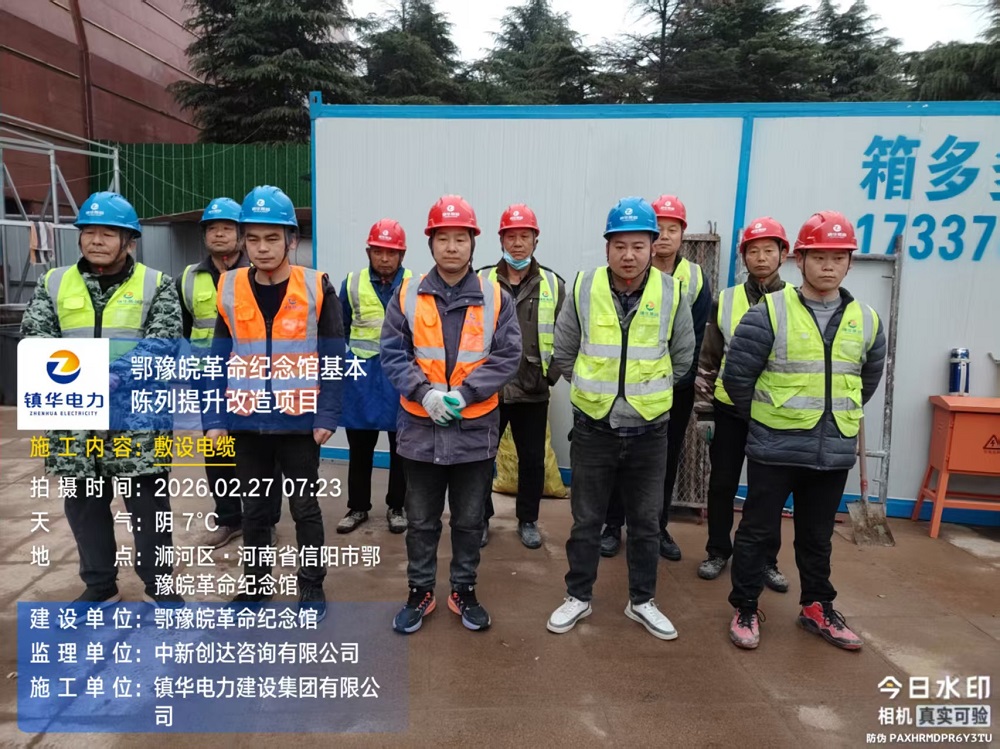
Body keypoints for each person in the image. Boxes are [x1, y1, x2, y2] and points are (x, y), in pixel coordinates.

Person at [723, 211, 886, 651]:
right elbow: (737, 378)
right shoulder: (769, 313)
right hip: (775, 449)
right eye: (819, 257)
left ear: (850, 263)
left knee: (817, 537)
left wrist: (836, 419)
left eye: (838, 257)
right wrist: (767, 419)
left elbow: (867, 381)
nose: (829, 266)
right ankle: (746, 607)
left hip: (832, 451)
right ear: (799, 260)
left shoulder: (867, 320)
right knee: (757, 532)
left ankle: (817, 606)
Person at [20, 191, 184, 605]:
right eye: (89, 232)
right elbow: (35, 337)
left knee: (148, 507)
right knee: (85, 506)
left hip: (137, 421)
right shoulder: (53, 282)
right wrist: (88, 379)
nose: (96, 240)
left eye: (108, 233)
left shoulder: (157, 284)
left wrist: (115, 375)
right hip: (74, 419)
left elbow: (163, 343)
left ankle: (159, 585)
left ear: (129, 241)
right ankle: (99, 585)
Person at [546, 197, 694, 640]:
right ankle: (578, 596)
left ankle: (642, 601)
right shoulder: (584, 286)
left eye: (638, 245)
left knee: (646, 523)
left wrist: (645, 395)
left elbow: (682, 357)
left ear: (652, 246)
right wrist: (596, 391)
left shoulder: (671, 293)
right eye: (620, 245)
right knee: (586, 521)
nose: (629, 255)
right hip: (594, 428)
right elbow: (564, 350)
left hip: (650, 431)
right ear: (607, 247)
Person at [381, 194, 521, 634]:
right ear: (431, 243)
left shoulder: (496, 297)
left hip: (473, 430)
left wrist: (464, 393)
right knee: (421, 521)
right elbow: (392, 353)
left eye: (461, 238)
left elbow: (508, 354)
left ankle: (464, 589)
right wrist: (424, 394)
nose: (452, 247)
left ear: (473, 243)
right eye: (443, 238)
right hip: (420, 429)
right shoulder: (407, 294)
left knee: (468, 520)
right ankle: (420, 591)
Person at [204, 185, 344, 621]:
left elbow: (334, 357)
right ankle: (256, 586)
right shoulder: (230, 287)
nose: (262, 248)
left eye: (271, 238)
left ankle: (311, 586)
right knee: (255, 511)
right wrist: (214, 417)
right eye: (253, 239)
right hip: (247, 422)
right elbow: (218, 358)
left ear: (291, 240)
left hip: (299, 422)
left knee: (305, 509)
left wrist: (327, 414)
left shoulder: (316, 287)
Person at [600, 194, 710, 560]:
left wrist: (671, 382)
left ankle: (656, 527)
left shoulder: (694, 279)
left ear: (682, 235)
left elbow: (693, 339)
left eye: (672, 229)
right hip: (622, 387)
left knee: (663, 461)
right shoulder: (623, 274)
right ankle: (612, 525)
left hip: (673, 389)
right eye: (658, 229)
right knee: (617, 458)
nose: (664, 236)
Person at [178, 197, 281, 549]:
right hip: (208, 378)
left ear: (241, 234)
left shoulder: (263, 272)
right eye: (212, 228)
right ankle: (229, 519)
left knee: (265, 449)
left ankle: (265, 521)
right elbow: (185, 328)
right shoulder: (188, 279)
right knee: (218, 448)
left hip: (255, 376)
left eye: (227, 228)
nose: (219, 234)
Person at [694, 218, 791, 592]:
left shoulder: (795, 302)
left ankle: (766, 559)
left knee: (769, 491)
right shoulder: (726, 300)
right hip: (729, 409)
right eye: (754, 251)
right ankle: (718, 550)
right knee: (721, 483)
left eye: (769, 250)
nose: (761, 258)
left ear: (783, 255)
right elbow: (709, 358)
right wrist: (704, 412)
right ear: (744, 256)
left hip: (775, 413)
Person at [477, 203, 566, 549]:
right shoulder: (481, 280)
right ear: (501, 240)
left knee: (532, 460)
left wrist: (550, 375)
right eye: (511, 236)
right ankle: (481, 518)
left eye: (524, 236)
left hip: (532, 388)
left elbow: (568, 333)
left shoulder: (553, 284)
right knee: (481, 457)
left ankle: (527, 520)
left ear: (535, 241)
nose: (517, 243)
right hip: (489, 389)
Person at [336, 219, 411, 535]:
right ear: (369, 252)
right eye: (378, 251)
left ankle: (397, 507)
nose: (384, 258)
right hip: (362, 380)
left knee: (402, 448)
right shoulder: (352, 283)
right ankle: (357, 507)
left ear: (401, 254)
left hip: (401, 378)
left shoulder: (415, 285)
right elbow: (340, 326)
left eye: (391, 252)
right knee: (360, 448)